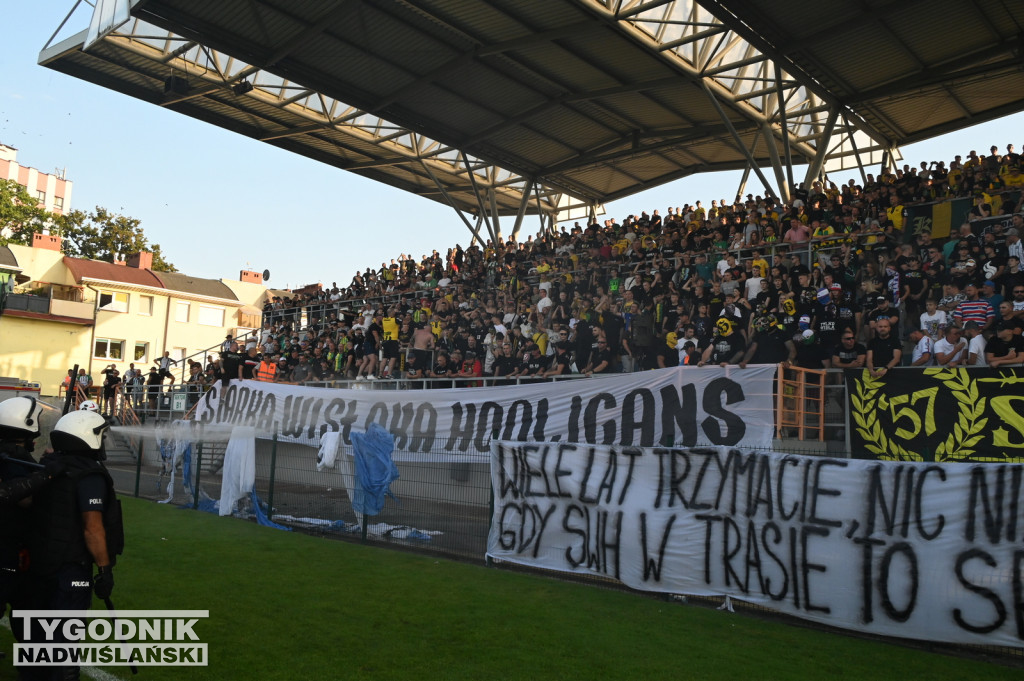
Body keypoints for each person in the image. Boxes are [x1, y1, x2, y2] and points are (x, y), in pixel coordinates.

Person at [27, 410, 121, 681]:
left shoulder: (49, 465)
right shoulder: (89, 476)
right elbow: (93, 529)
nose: (103, 443)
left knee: (40, 637)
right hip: (71, 568)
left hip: (44, 561)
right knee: (65, 640)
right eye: (101, 437)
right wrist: (105, 570)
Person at [0, 397, 65, 648]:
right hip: (9, 547)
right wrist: (47, 474)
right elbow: (25, 500)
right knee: (25, 606)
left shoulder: (6, 453)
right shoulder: (14, 456)